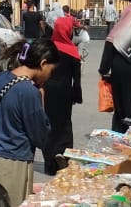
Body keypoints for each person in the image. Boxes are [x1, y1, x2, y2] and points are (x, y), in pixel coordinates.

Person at [0, 40, 59, 207]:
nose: (50, 76)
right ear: (43, 64)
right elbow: (41, 137)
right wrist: (41, 98)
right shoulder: (30, 92)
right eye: (51, 71)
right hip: (14, 161)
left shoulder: (3, 77)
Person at [40, 15, 82, 175]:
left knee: (49, 124)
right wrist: (77, 95)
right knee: (64, 124)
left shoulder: (48, 49)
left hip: (48, 90)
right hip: (65, 92)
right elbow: (76, 79)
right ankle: (63, 154)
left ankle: (50, 162)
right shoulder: (72, 52)